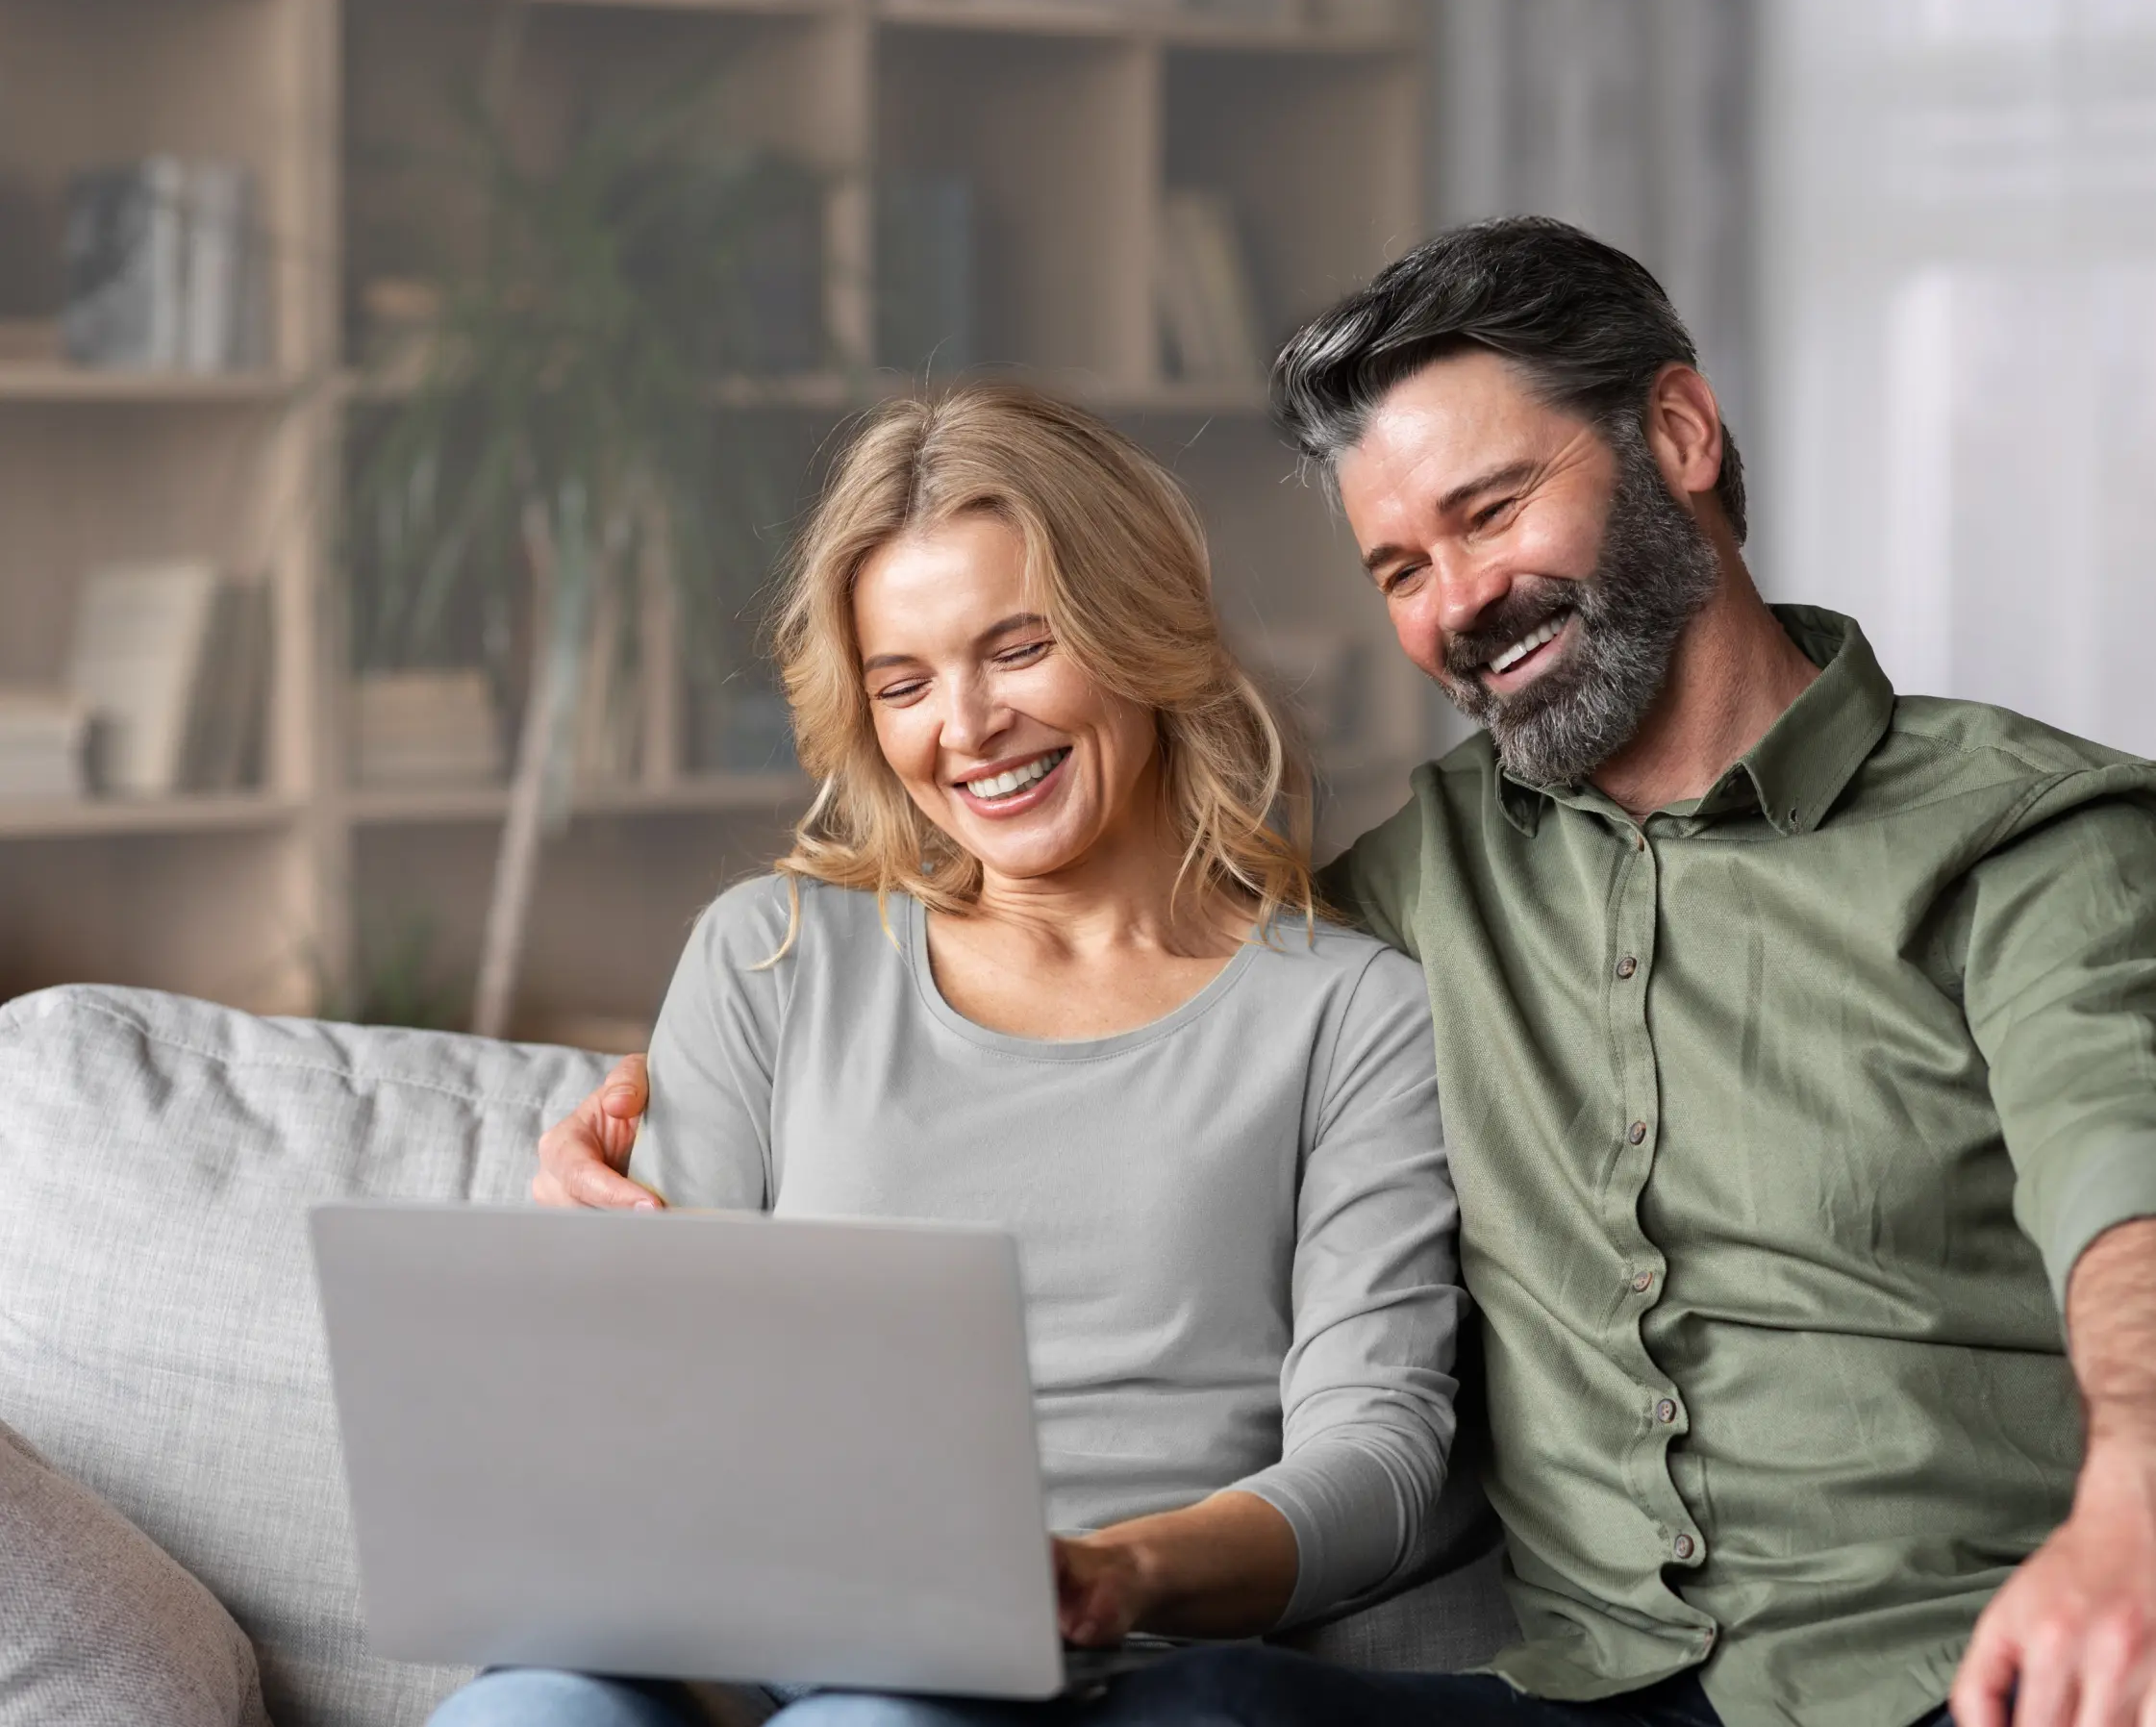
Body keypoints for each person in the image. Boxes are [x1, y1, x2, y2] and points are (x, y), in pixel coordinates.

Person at [546, 218, 2156, 1727]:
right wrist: (628, 1144)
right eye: (1397, 569)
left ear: (1675, 437)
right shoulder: (1410, 900)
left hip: (1960, 1664)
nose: (1459, 602)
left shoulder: (2017, 841)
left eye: (1491, 511)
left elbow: (2123, 1194)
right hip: (1592, 1688)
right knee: (1197, 1713)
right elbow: (1143, 1001)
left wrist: (2131, 1506)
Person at [431, 386, 1467, 1727]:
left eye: (1018, 647)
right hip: (728, 1628)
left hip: (1059, 1671)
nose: (965, 728)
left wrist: (1118, 1571)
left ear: (1141, 630)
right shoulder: (774, 954)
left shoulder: (1348, 1017)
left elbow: (1376, 1459)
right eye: (902, 682)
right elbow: (647, 1393)